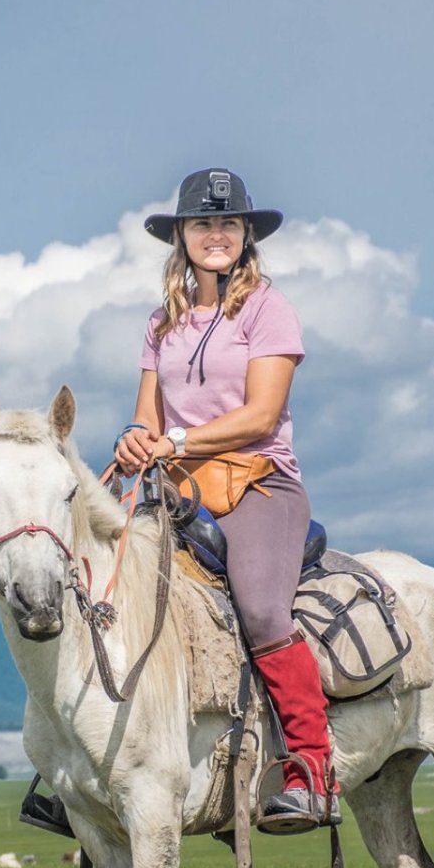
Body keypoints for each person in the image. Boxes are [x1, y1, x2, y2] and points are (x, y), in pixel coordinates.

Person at [113, 167, 338, 831]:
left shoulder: (269, 308)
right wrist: (132, 442)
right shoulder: (161, 324)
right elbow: (144, 418)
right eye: (203, 224)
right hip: (179, 492)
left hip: (259, 484)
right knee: (105, 594)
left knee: (263, 612)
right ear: (181, 237)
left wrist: (171, 440)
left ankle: (312, 772)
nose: (216, 234)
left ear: (245, 237)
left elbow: (261, 416)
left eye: (228, 223)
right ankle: (80, 774)